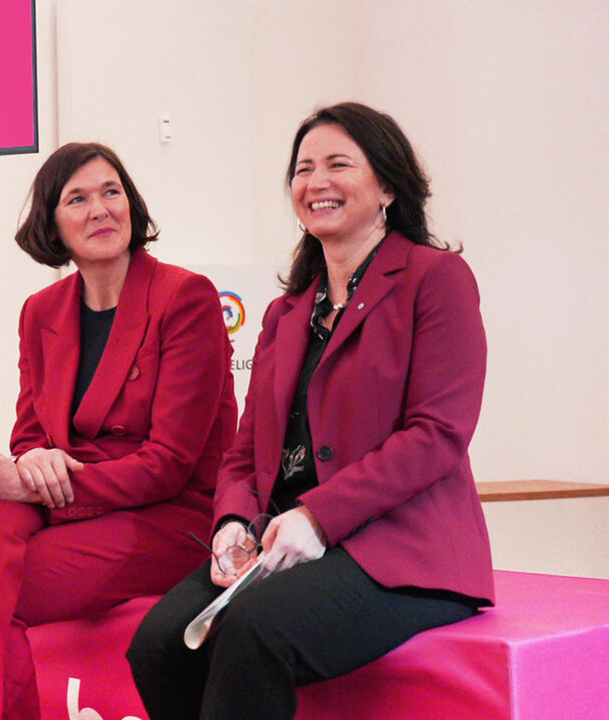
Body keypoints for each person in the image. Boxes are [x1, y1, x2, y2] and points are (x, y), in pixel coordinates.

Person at [126, 102, 493, 720]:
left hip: (401, 550)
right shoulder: (286, 311)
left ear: (387, 187)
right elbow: (246, 452)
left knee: (254, 630)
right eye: (303, 169)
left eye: (338, 164)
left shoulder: (437, 279)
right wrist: (231, 526)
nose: (315, 182)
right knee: (159, 644)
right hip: (282, 542)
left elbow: (437, 435)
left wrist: (317, 519)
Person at [0, 143, 238, 720]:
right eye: (77, 199)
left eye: (111, 192)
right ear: (53, 224)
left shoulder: (185, 297)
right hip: (68, 499)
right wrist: (31, 462)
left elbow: (170, 465)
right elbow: (30, 433)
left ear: (132, 205)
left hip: (169, 512)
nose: (100, 209)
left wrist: (36, 483)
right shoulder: (40, 310)